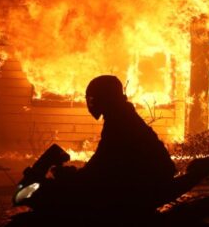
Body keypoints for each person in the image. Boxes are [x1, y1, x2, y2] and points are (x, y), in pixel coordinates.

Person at [74, 74, 176, 210]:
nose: (92, 103)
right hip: (148, 178)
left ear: (105, 97)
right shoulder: (120, 115)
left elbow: (102, 158)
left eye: (94, 98)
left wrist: (78, 177)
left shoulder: (120, 120)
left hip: (145, 183)